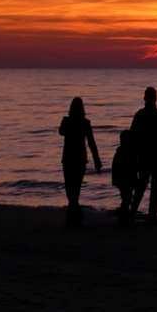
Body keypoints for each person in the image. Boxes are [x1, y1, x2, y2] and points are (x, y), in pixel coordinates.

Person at [58, 96, 102, 226]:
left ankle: (73, 216)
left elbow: (61, 132)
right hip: (80, 159)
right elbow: (91, 143)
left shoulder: (67, 121)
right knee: (76, 188)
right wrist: (97, 160)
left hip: (68, 158)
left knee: (69, 187)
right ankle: (75, 216)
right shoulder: (85, 122)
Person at [130, 86, 157, 221]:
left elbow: (132, 135)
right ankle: (150, 215)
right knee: (152, 186)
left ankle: (135, 211)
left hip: (146, 154)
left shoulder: (141, 114)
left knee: (143, 184)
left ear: (145, 98)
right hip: (151, 154)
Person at [111, 130, 138, 224]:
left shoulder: (122, 152)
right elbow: (131, 167)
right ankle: (124, 215)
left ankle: (124, 213)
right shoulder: (125, 152)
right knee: (127, 197)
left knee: (126, 196)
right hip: (123, 178)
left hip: (122, 178)